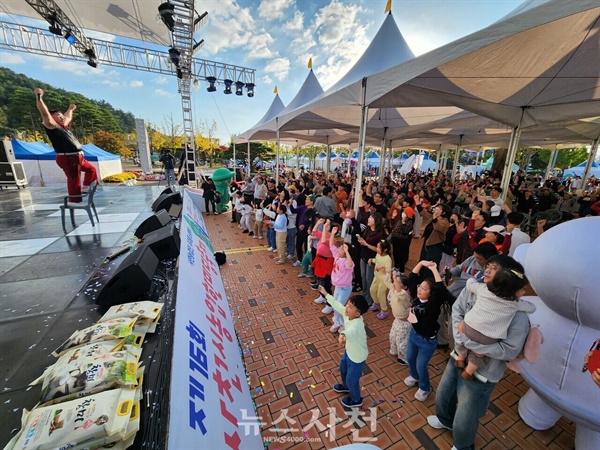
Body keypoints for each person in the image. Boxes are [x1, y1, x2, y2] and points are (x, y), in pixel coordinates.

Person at [428, 255, 531, 450]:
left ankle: (463, 445)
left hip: (483, 373)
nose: (487, 271)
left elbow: (509, 350)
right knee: (444, 393)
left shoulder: (517, 315)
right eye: (489, 267)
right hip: (458, 355)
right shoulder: (474, 291)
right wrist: (461, 341)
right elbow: (457, 310)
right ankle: (445, 420)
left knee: (467, 413)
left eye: (495, 270)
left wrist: (474, 346)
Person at [454, 272, 534, 380]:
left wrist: (474, 279)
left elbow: (470, 284)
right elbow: (532, 308)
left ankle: (460, 359)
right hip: (489, 338)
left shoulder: (484, 290)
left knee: (462, 335)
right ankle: (469, 371)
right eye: (522, 289)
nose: (524, 292)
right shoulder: (515, 304)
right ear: (513, 291)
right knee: (479, 354)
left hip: (469, 328)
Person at [34, 88, 98, 203]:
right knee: (74, 178)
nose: (62, 118)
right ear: (53, 119)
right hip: (68, 157)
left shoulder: (64, 126)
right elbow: (44, 113)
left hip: (78, 157)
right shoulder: (52, 126)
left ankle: (86, 187)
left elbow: (68, 117)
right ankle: (75, 201)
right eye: (59, 117)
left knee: (91, 170)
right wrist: (39, 96)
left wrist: (70, 109)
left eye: (61, 116)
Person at [404, 260, 449, 401]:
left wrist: (434, 269)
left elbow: (440, 289)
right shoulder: (416, 298)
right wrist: (421, 263)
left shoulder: (433, 304)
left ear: (431, 293)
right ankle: (414, 376)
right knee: (410, 358)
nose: (420, 290)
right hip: (414, 335)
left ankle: (425, 388)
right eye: (420, 287)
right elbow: (412, 277)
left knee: (421, 365)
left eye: (424, 288)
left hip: (427, 341)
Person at [318, 285, 369, 408]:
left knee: (352, 380)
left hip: (357, 357)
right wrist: (326, 293)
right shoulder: (348, 314)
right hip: (349, 351)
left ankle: (356, 400)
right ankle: (346, 387)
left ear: (357, 314)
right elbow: (337, 305)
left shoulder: (357, 324)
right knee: (343, 369)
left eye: (351, 307)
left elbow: (351, 331)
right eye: (348, 304)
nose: (347, 307)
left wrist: (343, 334)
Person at [328, 234, 355, 333]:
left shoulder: (346, 262)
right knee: (335, 305)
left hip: (345, 288)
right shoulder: (337, 257)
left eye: (341, 250)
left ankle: (343, 323)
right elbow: (331, 246)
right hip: (338, 287)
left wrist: (347, 251)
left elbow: (350, 264)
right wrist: (332, 234)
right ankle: (337, 321)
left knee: (339, 306)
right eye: (339, 249)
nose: (338, 251)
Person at [385, 270, 411, 365]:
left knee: (402, 341)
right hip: (397, 320)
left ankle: (404, 358)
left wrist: (395, 276)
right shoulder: (394, 290)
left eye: (398, 282)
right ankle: (394, 350)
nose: (395, 282)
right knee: (392, 336)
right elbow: (388, 282)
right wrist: (384, 273)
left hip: (404, 323)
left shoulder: (404, 295)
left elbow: (399, 291)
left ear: (404, 287)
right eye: (395, 281)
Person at [368, 240, 393, 319]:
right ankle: (376, 303)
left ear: (385, 249)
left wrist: (381, 268)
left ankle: (384, 310)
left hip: (384, 281)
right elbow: (377, 261)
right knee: (372, 290)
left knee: (380, 295)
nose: (377, 249)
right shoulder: (378, 254)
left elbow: (388, 269)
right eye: (377, 247)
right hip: (377, 277)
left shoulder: (387, 258)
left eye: (379, 247)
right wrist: (372, 260)